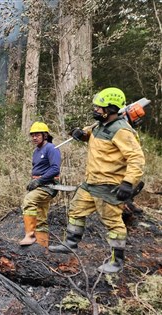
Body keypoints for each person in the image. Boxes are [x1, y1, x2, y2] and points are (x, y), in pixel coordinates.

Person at [48, 87, 145, 273]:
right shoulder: (100, 126)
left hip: (108, 186)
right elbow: (89, 133)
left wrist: (128, 182)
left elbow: (136, 158)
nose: (95, 110)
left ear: (110, 109)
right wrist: (80, 134)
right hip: (91, 182)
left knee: (113, 223)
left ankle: (117, 261)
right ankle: (70, 244)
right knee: (76, 210)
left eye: (99, 107)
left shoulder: (122, 131)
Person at [20, 122, 61, 248]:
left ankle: (30, 235)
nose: (34, 137)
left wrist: (39, 180)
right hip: (40, 185)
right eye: (32, 135)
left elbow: (55, 169)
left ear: (45, 135)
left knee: (29, 200)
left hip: (48, 185)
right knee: (41, 215)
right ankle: (42, 246)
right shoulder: (36, 151)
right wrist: (34, 181)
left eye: (37, 135)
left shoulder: (51, 148)